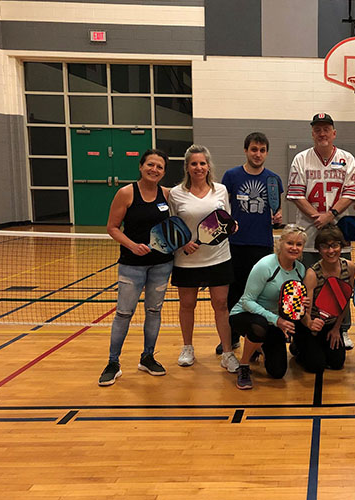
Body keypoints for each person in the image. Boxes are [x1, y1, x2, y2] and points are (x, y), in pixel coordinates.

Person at [98, 149, 174, 386]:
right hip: (132, 266)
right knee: (123, 313)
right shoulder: (126, 193)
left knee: (154, 311)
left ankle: (148, 357)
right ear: (141, 167)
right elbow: (112, 227)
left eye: (159, 167)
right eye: (150, 165)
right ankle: (113, 362)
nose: (154, 170)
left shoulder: (168, 195)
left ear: (163, 172)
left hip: (162, 265)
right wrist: (132, 246)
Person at [287, 113, 355, 348]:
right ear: (312, 133)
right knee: (308, 284)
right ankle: (305, 326)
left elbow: (351, 193)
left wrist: (331, 215)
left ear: (334, 133)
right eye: (317, 129)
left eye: (326, 129)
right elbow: (296, 194)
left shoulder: (346, 158)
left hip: (339, 232)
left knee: (342, 283)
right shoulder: (301, 159)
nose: (322, 133)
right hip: (308, 235)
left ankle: (343, 328)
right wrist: (316, 216)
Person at [168, 145, 235, 372]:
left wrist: (232, 227)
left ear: (209, 166)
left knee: (221, 305)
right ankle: (187, 347)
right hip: (187, 260)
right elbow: (172, 226)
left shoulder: (221, 190)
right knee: (187, 305)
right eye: (194, 163)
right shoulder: (176, 193)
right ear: (187, 166)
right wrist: (183, 242)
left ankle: (227, 352)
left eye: (202, 163)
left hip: (219, 257)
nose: (199, 167)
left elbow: (226, 219)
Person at [219, 132, 283, 355]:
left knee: (260, 295)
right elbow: (223, 208)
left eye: (262, 150)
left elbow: (277, 210)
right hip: (235, 244)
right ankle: (233, 336)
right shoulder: (231, 176)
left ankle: (257, 336)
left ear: (267, 153)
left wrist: (278, 218)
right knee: (234, 293)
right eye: (254, 149)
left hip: (262, 246)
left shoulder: (273, 179)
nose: (258, 154)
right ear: (246, 150)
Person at [229, 225, 308, 389]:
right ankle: (243, 366)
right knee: (259, 327)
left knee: (277, 372)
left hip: (274, 321)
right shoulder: (265, 265)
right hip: (245, 315)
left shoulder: (300, 270)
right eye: (290, 243)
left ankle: (258, 347)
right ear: (281, 243)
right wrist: (276, 320)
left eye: (299, 244)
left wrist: (301, 304)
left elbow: (289, 301)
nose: (294, 248)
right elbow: (247, 301)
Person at [296, 224, 355, 373]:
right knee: (316, 366)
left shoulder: (349, 267)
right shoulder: (312, 274)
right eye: (325, 247)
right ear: (319, 249)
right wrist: (310, 324)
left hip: (331, 325)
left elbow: (345, 300)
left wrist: (337, 329)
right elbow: (305, 311)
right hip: (310, 325)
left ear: (341, 246)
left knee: (337, 363)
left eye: (334, 245)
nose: (330, 251)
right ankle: (298, 344)